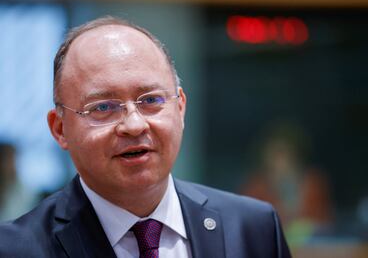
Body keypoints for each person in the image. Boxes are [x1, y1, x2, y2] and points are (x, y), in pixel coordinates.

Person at [0, 16, 291, 258]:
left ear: (180, 108)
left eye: (150, 100)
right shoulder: (15, 249)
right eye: (103, 107)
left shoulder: (253, 229)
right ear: (60, 129)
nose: (134, 125)